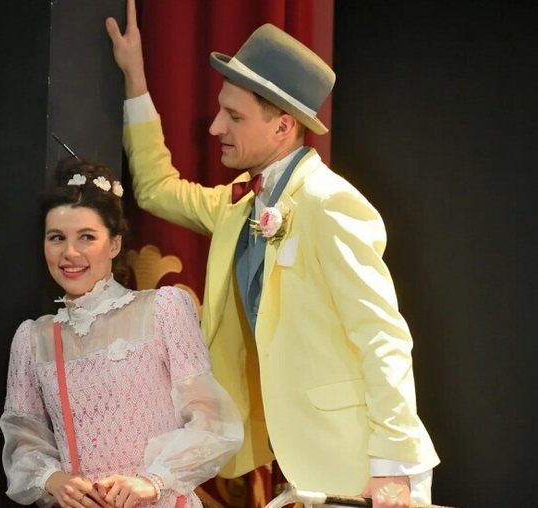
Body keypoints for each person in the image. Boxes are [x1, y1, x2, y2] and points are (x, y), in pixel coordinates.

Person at [105, 1, 440, 506]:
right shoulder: (238, 204)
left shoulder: (329, 203)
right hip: (300, 462)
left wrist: (393, 467)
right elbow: (155, 189)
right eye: (221, 109)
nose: (215, 127)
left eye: (234, 116)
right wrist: (135, 78)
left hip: (363, 467)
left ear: (283, 127)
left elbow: (382, 337)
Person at [0, 158, 243, 508]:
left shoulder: (163, 310)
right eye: (57, 238)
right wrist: (52, 479)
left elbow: (212, 422)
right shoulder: (33, 339)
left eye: (87, 237)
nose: (70, 253)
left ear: (114, 244)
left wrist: (153, 481)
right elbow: (23, 437)